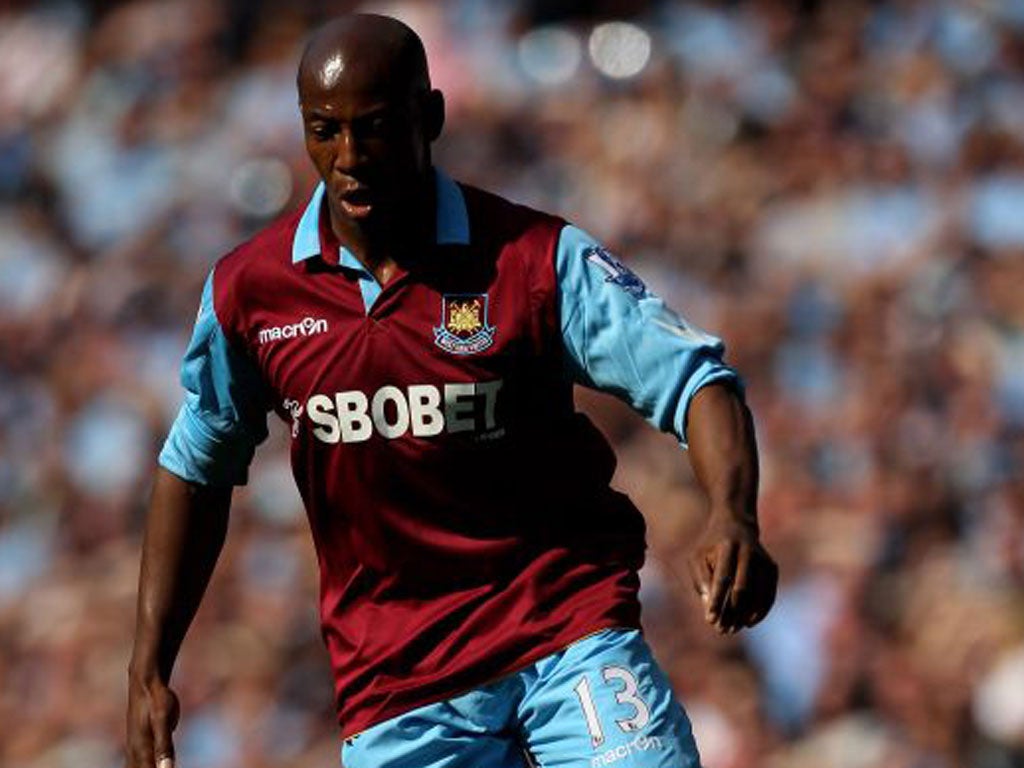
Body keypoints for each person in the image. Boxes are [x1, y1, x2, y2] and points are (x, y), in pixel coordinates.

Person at [126, 13, 778, 768]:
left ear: (427, 117)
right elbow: (195, 468)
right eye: (324, 131)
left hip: (566, 630)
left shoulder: (533, 259)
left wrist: (734, 513)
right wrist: (148, 666)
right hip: (398, 680)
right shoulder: (252, 292)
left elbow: (696, 378)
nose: (349, 158)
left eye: (372, 128)